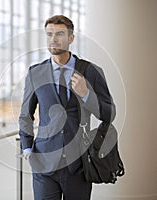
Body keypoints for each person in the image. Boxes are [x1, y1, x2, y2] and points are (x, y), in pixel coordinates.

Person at [19, 15, 116, 200]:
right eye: (49, 34)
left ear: (71, 38)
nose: (53, 39)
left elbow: (109, 114)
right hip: (43, 162)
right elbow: (25, 115)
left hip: (79, 163)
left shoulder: (91, 71)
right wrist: (27, 149)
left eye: (60, 34)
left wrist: (86, 94)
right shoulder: (35, 73)